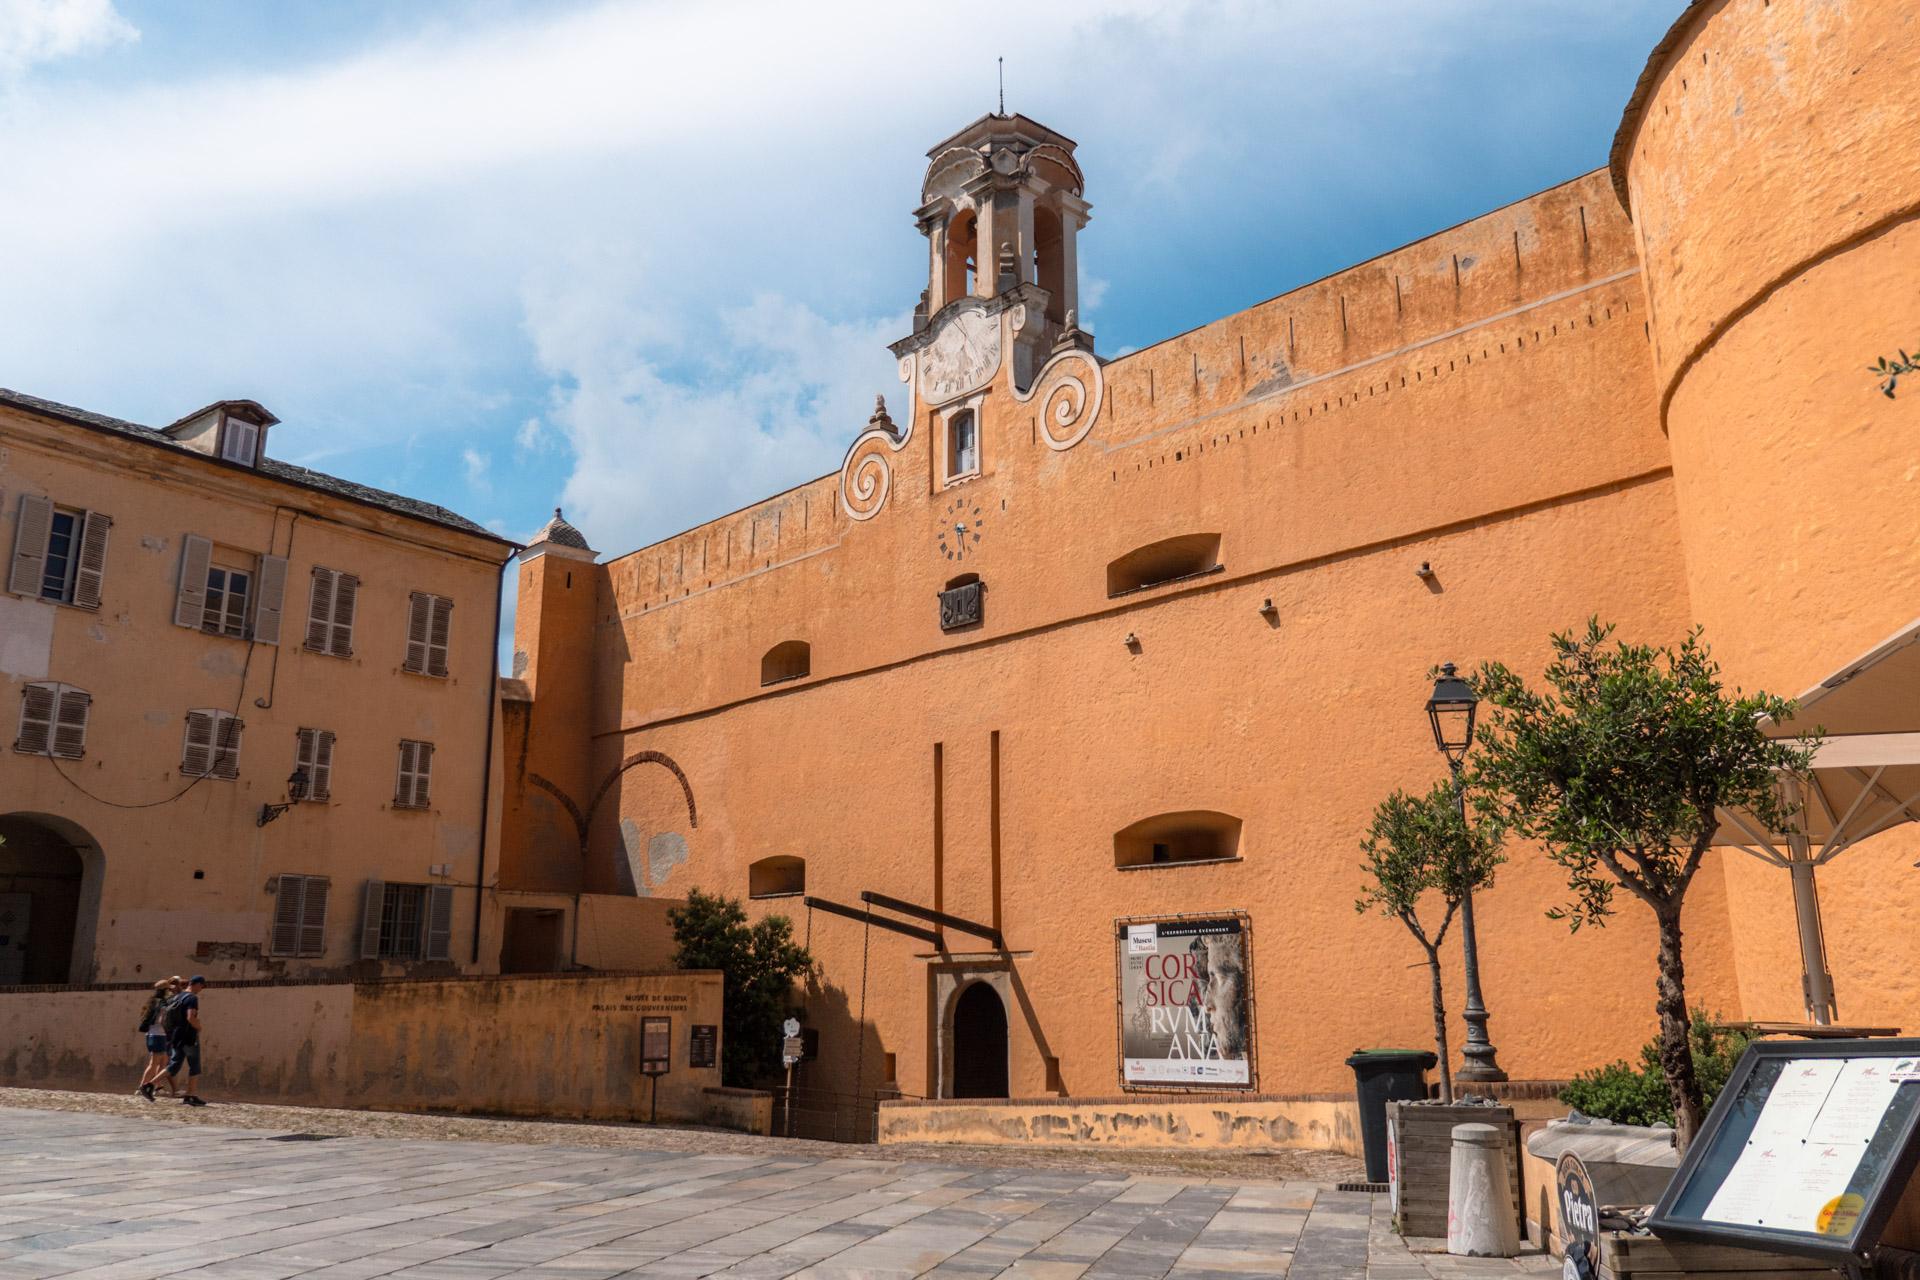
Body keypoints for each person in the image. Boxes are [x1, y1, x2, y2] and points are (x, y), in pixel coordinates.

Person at [163, 975, 207, 1106]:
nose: (201, 989)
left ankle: (149, 1084)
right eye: (201, 986)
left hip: (176, 1035)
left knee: (174, 1065)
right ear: (196, 984)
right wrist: (199, 1027)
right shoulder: (192, 998)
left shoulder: (177, 997)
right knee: (195, 1066)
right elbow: (190, 1017)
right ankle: (190, 1095)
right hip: (188, 1036)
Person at [135, 979, 178, 1100]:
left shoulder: (152, 1001)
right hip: (158, 1035)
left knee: (163, 1061)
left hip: (153, 1034)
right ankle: (142, 1087)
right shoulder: (162, 1003)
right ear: (165, 990)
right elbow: (161, 1020)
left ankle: (157, 1086)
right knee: (153, 1064)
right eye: (169, 989)